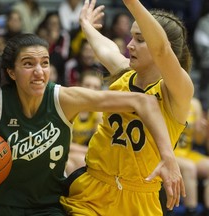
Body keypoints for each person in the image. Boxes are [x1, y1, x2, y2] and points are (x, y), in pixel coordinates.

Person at [0, 33, 177, 216]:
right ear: (12, 72)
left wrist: (168, 157)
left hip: (47, 207)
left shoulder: (63, 99)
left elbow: (144, 101)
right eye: (28, 64)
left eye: (44, 63)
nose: (39, 72)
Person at [60, 0, 193, 215]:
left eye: (140, 40)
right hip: (93, 190)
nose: (130, 45)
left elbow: (161, 50)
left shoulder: (178, 91)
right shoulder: (124, 73)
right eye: (132, 37)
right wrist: (86, 25)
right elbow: (107, 48)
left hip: (140, 199)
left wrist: (131, 3)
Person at [175, 98, 209, 216]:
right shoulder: (166, 98)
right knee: (189, 167)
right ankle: (191, 211)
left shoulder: (195, 104)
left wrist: (202, 130)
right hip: (170, 153)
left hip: (187, 152)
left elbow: (199, 140)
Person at [66, 69, 103, 176]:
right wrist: (86, 151)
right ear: (78, 86)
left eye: (96, 87)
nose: (91, 90)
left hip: (81, 153)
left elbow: (99, 147)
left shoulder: (99, 113)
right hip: (62, 151)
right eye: (87, 85)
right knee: (74, 164)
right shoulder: (69, 107)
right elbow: (63, 144)